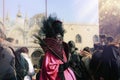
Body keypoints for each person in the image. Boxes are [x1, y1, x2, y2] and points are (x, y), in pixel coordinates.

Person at [35, 15, 76, 80]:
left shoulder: (62, 50)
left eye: (61, 37)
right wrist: (63, 67)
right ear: (54, 38)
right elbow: (49, 69)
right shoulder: (50, 52)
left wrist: (68, 64)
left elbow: (65, 61)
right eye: (58, 38)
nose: (60, 40)